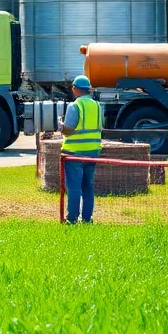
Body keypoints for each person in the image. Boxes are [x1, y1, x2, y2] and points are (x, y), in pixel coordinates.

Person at [59, 75, 102, 224]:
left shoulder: (74, 106)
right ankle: (87, 218)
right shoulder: (97, 106)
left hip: (75, 153)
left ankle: (72, 219)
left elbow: (69, 129)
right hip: (93, 152)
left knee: (74, 187)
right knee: (88, 186)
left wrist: (60, 126)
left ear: (75, 89)